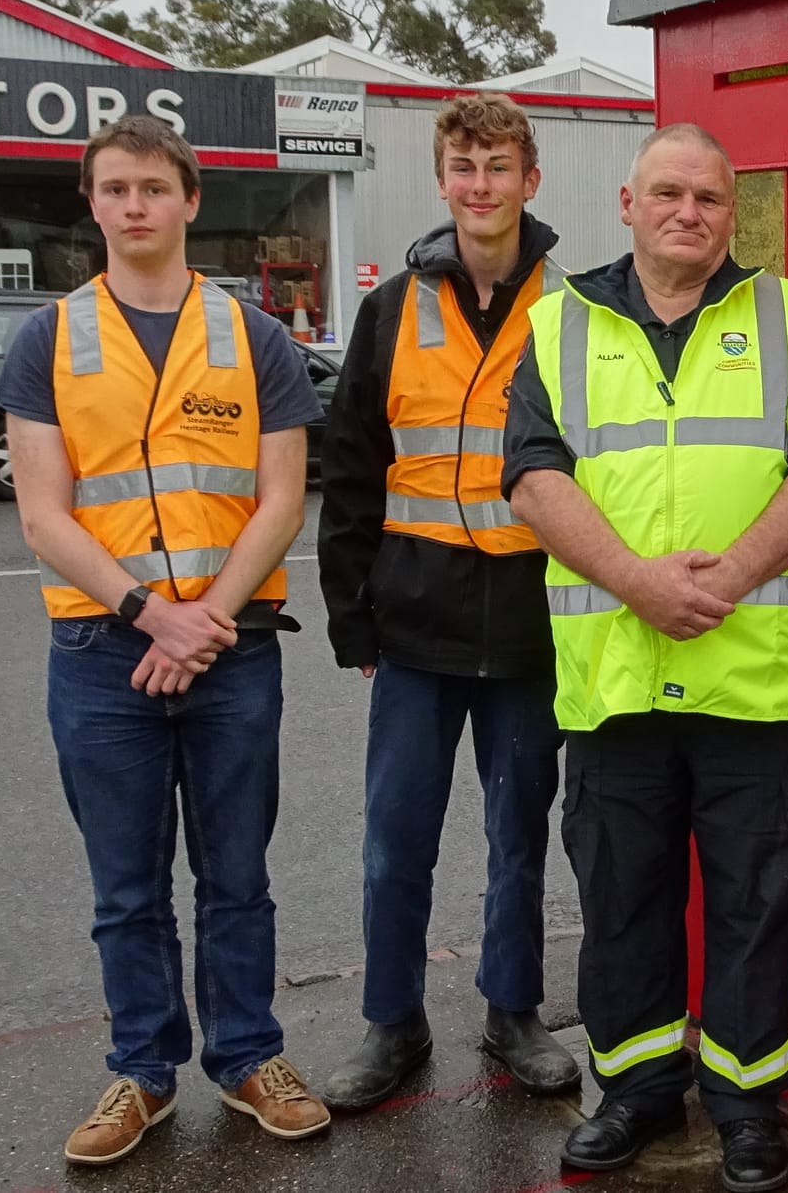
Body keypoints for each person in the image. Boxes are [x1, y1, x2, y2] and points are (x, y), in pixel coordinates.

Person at [501, 123, 788, 1193]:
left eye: (708, 198)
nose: (687, 214)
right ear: (626, 201)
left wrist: (731, 576)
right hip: (616, 678)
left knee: (758, 901)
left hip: (749, 677)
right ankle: (636, 1091)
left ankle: (744, 1102)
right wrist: (639, 582)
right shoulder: (557, 322)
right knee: (623, 896)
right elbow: (531, 476)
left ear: (731, 214)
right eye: (668, 193)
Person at [0, 116, 330, 1164]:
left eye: (152, 187)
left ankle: (246, 1058)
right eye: (113, 189)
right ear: (91, 204)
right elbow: (44, 515)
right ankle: (141, 1072)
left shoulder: (253, 338)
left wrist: (205, 621)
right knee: (127, 887)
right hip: (104, 652)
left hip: (231, 649)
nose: (133, 205)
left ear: (190, 201)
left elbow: (281, 499)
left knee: (237, 874)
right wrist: (153, 615)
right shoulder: (48, 339)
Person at [316, 95, 578, 1108]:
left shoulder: (569, 306)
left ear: (529, 179)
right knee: (396, 843)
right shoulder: (392, 310)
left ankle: (513, 1014)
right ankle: (393, 1026)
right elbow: (351, 465)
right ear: (442, 179)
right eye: (464, 165)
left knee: (519, 835)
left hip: (527, 624)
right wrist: (350, 612)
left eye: (498, 166)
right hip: (414, 627)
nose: (481, 184)